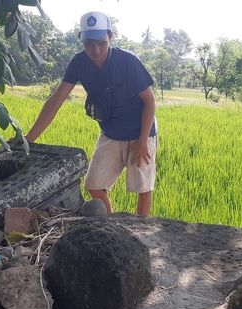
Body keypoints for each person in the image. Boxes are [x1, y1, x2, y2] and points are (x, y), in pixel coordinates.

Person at [25, 11, 157, 216]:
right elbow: (56, 99)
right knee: (94, 185)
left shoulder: (128, 62)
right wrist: (30, 138)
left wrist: (142, 140)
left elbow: (149, 100)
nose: (95, 50)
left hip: (139, 130)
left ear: (110, 38)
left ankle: (140, 232)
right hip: (111, 132)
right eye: (89, 44)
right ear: (81, 40)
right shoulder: (79, 63)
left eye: (101, 43)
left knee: (142, 187)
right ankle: (112, 226)